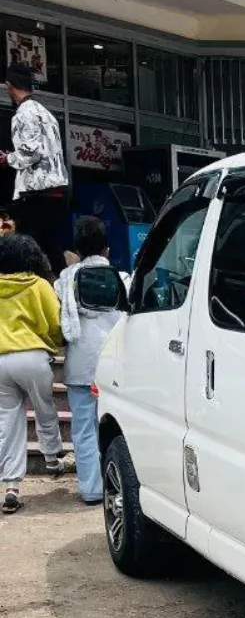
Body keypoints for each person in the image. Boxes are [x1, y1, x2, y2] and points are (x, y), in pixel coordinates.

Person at [56, 216, 126, 506]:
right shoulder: (120, 277)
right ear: (107, 249)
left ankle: (91, 490)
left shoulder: (65, 279)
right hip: (114, 362)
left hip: (80, 367)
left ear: (77, 248)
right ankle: (120, 486)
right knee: (121, 426)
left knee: (84, 429)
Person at [0, 231, 65, 513]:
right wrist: (54, 345)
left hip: (0, 360)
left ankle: (11, 485)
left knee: (8, 422)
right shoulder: (39, 285)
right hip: (34, 357)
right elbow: (55, 322)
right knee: (44, 408)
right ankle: (52, 458)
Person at [1, 62, 70, 273]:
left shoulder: (23, 114)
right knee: (52, 246)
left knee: (27, 249)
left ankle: (31, 292)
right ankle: (60, 289)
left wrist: (8, 159)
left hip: (35, 191)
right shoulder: (46, 114)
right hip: (57, 189)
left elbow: (32, 151)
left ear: (10, 86)